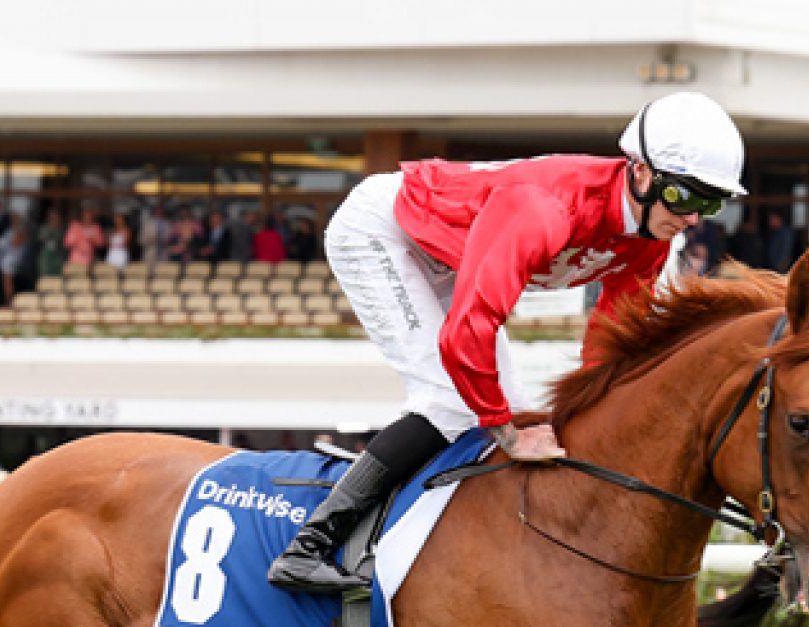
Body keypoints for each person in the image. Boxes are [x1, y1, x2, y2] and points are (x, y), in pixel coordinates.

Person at [267, 91, 746, 593]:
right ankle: (310, 546)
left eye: (708, 203)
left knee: (515, 407)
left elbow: (609, 345)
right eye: (684, 197)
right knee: (453, 400)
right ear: (641, 173)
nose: (692, 219)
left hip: (450, 252)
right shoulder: (544, 209)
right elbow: (466, 333)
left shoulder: (651, 238)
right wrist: (507, 433)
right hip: (385, 231)